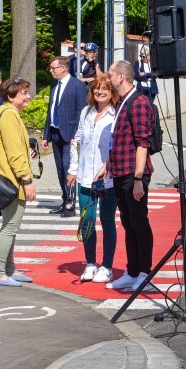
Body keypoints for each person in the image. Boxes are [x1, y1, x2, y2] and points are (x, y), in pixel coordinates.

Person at [0, 77, 37, 287]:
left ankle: (9, 268)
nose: (28, 96)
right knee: (10, 227)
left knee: (8, 225)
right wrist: (27, 180)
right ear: (12, 96)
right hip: (10, 181)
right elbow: (13, 153)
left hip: (2, 177)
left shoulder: (0, 112)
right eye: (23, 93)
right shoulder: (9, 116)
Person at [103, 60, 157, 292]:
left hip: (133, 173)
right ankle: (132, 271)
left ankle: (144, 274)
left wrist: (138, 179)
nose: (108, 78)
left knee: (139, 222)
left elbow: (142, 143)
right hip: (119, 170)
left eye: (110, 74)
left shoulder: (139, 101)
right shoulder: (121, 102)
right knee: (127, 222)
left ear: (121, 77)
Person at [67, 74, 119, 284]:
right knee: (87, 221)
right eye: (96, 88)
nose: (99, 92)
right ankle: (90, 263)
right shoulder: (86, 112)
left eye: (104, 88)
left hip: (107, 179)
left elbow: (117, 146)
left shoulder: (116, 114)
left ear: (112, 91)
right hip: (85, 177)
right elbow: (76, 141)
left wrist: (109, 167)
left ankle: (107, 266)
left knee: (107, 222)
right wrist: (72, 169)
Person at [42, 56, 87, 217]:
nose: (51, 70)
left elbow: (81, 112)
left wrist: (77, 135)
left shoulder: (77, 86)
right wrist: (46, 135)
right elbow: (50, 111)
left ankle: (70, 203)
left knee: (69, 169)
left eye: (54, 68)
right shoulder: (55, 85)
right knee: (60, 170)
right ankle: (64, 199)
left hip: (70, 135)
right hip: (55, 133)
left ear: (63, 68)